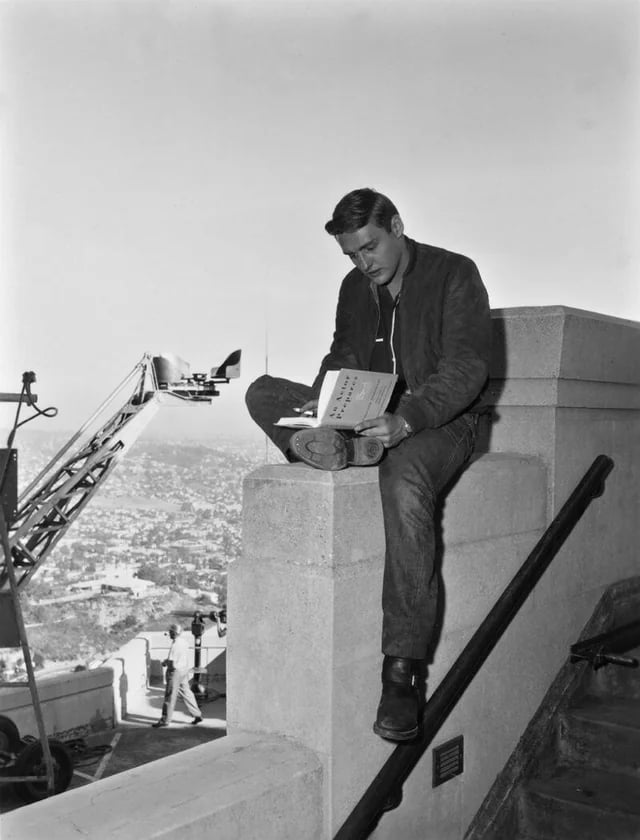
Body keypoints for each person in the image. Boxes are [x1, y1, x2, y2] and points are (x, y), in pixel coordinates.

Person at [245, 187, 491, 742]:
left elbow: (467, 368)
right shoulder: (356, 286)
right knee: (261, 392)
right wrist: (322, 397)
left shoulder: (456, 273)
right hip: (366, 411)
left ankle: (402, 671)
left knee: (402, 480)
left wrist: (408, 420)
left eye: (370, 248)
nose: (364, 263)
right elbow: (346, 355)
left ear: (398, 226)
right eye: (352, 255)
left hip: (441, 420)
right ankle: (335, 442)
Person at [152, 623, 203, 728]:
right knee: (187, 693)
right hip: (184, 670)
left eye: (170, 632)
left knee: (170, 696)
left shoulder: (175, 645)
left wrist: (165, 664)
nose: (169, 634)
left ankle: (165, 720)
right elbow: (180, 657)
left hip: (175, 672)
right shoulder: (184, 642)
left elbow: (172, 662)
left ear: (174, 633)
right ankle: (197, 714)